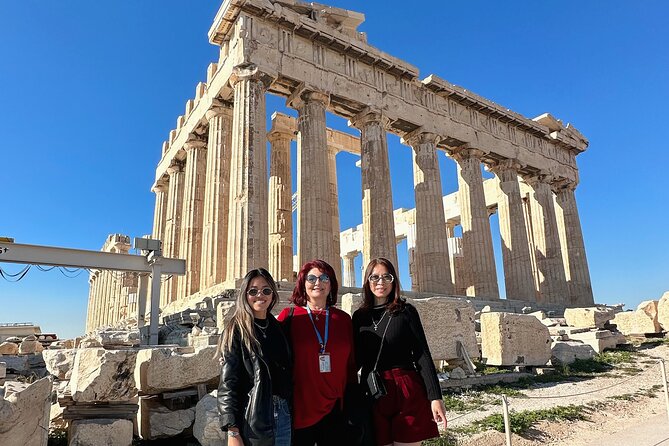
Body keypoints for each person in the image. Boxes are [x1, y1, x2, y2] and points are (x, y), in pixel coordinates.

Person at [352, 258, 447, 446]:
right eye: (375, 277)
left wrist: (435, 397)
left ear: (394, 280)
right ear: (367, 281)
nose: (381, 282)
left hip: (406, 389)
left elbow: (422, 355)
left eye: (387, 277)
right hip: (374, 392)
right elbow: (355, 360)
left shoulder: (406, 311)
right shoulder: (359, 317)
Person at [277, 259, 356, 446]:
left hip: (337, 408)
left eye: (324, 278)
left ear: (331, 285)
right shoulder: (289, 317)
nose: (318, 283)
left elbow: (351, 365)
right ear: (303, 284)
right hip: (300, 408)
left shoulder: (343, 319)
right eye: (311, 278)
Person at [217, 268, 292, 446]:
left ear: (273, 295)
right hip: (254, 418)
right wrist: (232, 430)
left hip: (283, 415)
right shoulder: (236, 331)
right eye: (253, 291)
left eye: (266, 290)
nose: (260, 295)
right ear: (245, 294)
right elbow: (228, 383)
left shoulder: (278, 328)